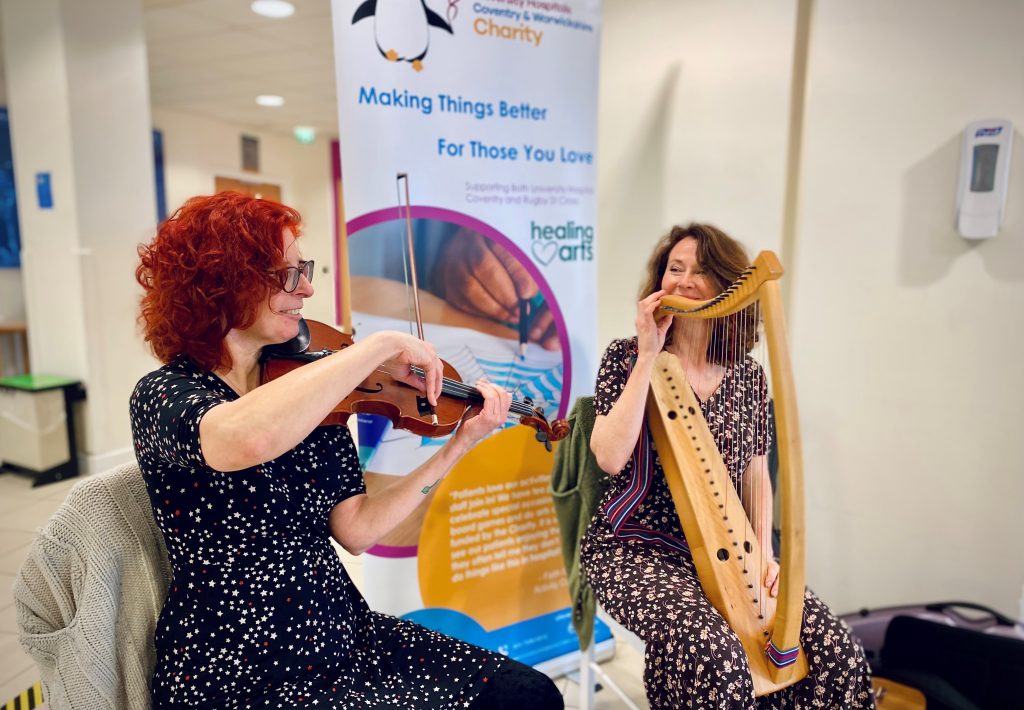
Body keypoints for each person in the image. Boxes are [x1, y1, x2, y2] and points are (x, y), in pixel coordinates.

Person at [130, 191, 564, 709]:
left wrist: (460, 444)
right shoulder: (165, 393)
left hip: (342, 637)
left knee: (528, 695)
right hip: (237, 668)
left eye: (304, 269)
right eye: (287, 274)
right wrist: (376, 348)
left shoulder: (314, 386)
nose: (307, 288)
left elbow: (357, 530)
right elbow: (243, 439)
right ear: (222, 281)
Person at [581, 223, 874, 709]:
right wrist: (649, 354)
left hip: (727, 550)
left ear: (727, 291)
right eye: (675, 269)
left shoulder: (749, 377)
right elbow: (609, 457)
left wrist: (762, 555)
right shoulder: (626, 357)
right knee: (714, 653)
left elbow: (757, 475)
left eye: (701, 271)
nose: (684, 280)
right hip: (635, 548)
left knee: (836, 650)